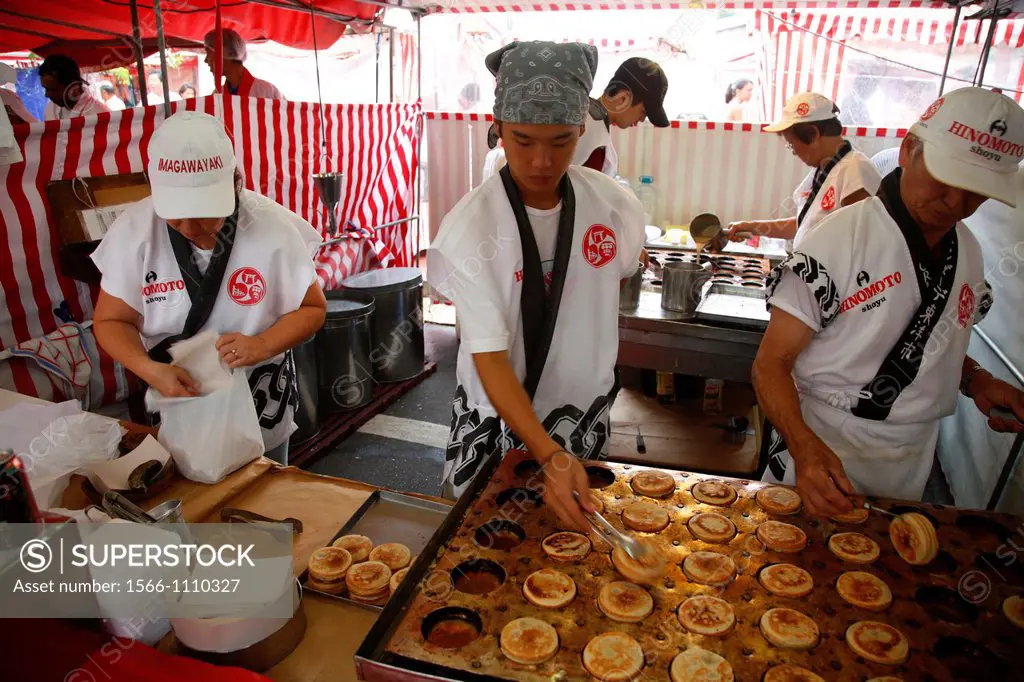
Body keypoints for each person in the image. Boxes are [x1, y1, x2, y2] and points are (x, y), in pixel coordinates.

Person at [753, 87, 1024, 515]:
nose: (956, 203)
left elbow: (932, 345)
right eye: (946, 180)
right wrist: (804, 447)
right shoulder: (840, 239)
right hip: (820, 449)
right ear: (909, 149)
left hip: (909, 466)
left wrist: (976, 381)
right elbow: (770, 364)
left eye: (976, 191)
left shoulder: (969, 253)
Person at [427, 41, 645, 528]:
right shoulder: (472, 228)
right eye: (524, 141)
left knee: (571, 560)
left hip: (579, 417)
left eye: (561, 141)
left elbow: (618, 273)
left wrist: (560, 454)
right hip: (500, 422)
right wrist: (549, 455)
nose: (542, 161)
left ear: (582, 131)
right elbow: (489, 356)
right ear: (498, 128)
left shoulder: (613, 207)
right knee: (484, 557)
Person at [90, 111, 326, 465]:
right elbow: (111, 321)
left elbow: (312, 308)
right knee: (194, 497)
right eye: (174, 212)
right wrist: (148, 368)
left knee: (267, 494)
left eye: (203, 211)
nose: (187, 226)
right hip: (178, 392)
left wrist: (262, 344)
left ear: (236, 183)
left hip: (259, 396)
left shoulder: (272, 228)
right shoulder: (134, 232)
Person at [723, 92, 881, 248]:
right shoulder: (825, 168)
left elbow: (859, 241)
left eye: (791, 144)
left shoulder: (855, 170)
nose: (793, 152)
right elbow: (804, 225)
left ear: (813, 135)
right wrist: (751, 227)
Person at [574, 57, 669, 177]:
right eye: (643, 112)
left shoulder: (585, 113)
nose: (642, 120)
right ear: (622, 99)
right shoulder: (596, 141)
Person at [204, 28, 285, 100]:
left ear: (224, 54)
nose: (206, 60)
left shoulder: (267, 92)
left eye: (208, 53)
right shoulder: (217, 95)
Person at [38, 55, 110, 120]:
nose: (46, 95)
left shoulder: (101, 114)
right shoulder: (50, 110)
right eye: (45, 88)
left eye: (53, 90)